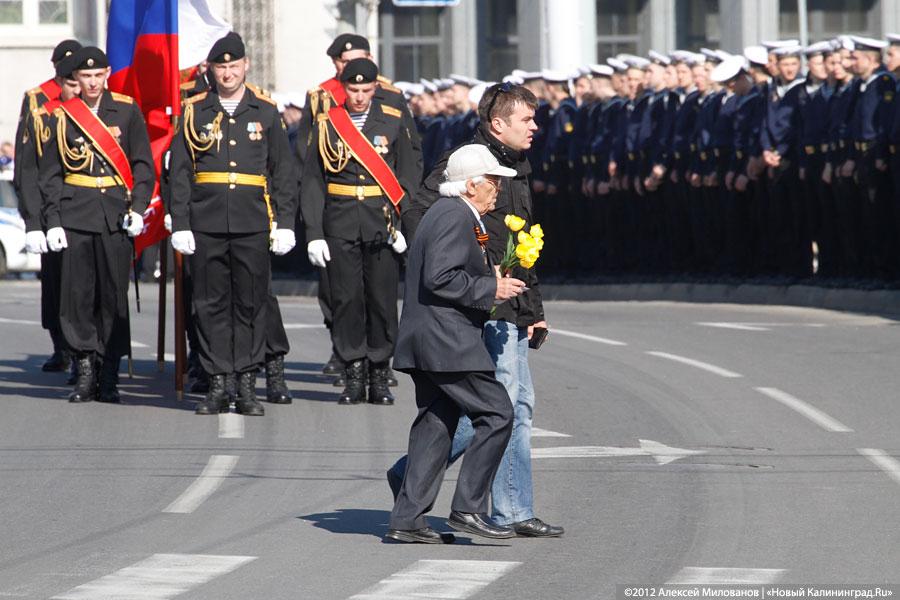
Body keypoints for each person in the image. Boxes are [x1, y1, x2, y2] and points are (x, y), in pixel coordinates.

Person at [393, 82, 564, 538]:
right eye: (526, 119)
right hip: (475, 311)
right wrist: (480, 278)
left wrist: (532, 308)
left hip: (503, 302)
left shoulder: (513, 167)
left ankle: (412, 492)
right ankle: (495, 509)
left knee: (465, 414)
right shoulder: (467, 168)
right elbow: (425, 224)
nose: (535, 126)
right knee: (501, 410)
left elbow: (520, 246)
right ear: (497, 123)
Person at [386, 144, 524, 544]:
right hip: (446, 341)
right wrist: (491, 288)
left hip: (433, 340)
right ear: (470, 186)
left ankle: (407, 519)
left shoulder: (450, 213)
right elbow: (440, 277)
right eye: (493, 181)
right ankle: (468, 508)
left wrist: (486, 278)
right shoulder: (453, 215)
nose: (498, 189)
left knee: (436, 425)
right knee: (497, 412)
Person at [168, 32, 298, 416]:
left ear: (246, 66)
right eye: (221, 67)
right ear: (210, 69)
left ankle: (246, 383)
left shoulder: (265, 111)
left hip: (252, 220)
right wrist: (181, 222)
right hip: (206, 221)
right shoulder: (194, 111)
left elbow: (282, 172)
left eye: (234, 66)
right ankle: (217, 382)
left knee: (251, 304)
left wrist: (285, 222)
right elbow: (180, 171)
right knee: (209, 304)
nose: (228, 73)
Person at [38, 46, 155, 403]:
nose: (91, 82)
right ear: (76, 78)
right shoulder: (63, 116)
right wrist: (52, 221)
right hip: (75, 216)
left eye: (97, 75)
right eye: (85, 76)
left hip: (114, 217)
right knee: (78, 297)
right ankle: (86, 370)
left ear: (107, 75)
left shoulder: (126, 110)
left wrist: (139, 208)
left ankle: (110, 375)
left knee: (112, 298)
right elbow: (51, 175)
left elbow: (143, 165)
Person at [300, 58, 420, 406]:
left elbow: (409, 175)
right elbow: (313, 180)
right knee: (346, 299)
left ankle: (379, 373)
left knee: (381, 300)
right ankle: (353, 372)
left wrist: (404, 224)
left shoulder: (393, 119)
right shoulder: (327, 123)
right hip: (339, 221)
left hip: (381, 221)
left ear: (375, 89)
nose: (359, 96)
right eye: (353, 89)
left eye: (366, 90)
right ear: (344, 88)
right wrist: (314, 232)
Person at [14, 39, 82, 375]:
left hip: (82, 201)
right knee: (54, 282)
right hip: (47, 203)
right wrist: (31, 214)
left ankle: (86, 350)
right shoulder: (37, 99)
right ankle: (60, 345)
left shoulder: (90, 96)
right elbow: (26, 160)